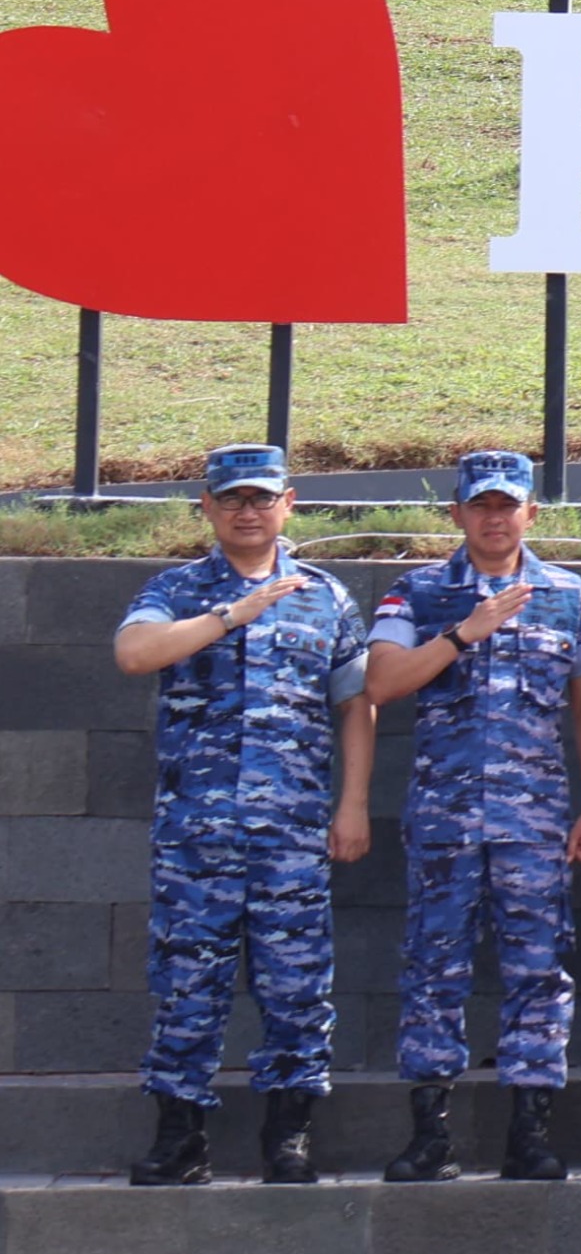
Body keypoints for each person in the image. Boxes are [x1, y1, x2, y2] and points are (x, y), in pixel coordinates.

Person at [113, 446, 374, 1188]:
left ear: (289, 503)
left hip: (292, 831)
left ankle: (287, 1136)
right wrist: (231, 614)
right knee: (187, 982)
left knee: (296, 984)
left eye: (262, 498)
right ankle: (180, 1137)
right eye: (233, 500)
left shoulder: (324, 596)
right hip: (198, 836)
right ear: (208, 507)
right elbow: (134, 653)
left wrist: (352, 803)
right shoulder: (179, 588)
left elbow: (355, 705)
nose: (248, 511)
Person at [363, 450, 581, 1185]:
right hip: (443, 820)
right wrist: (463, 633)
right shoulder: (419, 593)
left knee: (539, 971)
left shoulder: (567, 596)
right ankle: (429, 1132)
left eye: (509, 506)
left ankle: (530, 1133)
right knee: (433, 969)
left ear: (532, 513)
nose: (495, 519)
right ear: (457, 514)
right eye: (481, 506)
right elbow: (381, 681)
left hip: (533, 822)